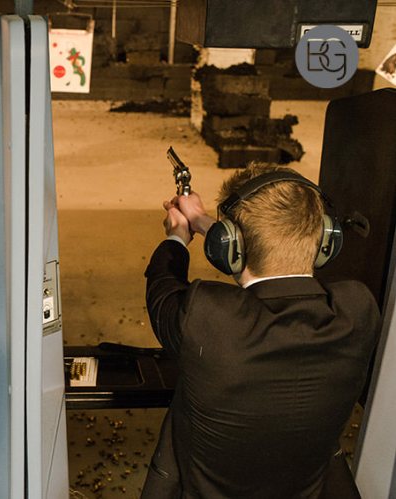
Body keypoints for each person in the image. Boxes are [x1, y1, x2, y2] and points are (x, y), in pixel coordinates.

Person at [141, 163, 380, 498]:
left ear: (228, 246)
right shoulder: (357, 311)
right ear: (326, 240)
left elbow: (163, 285)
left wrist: (178, 235)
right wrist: (200, 220)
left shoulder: (207, 317)